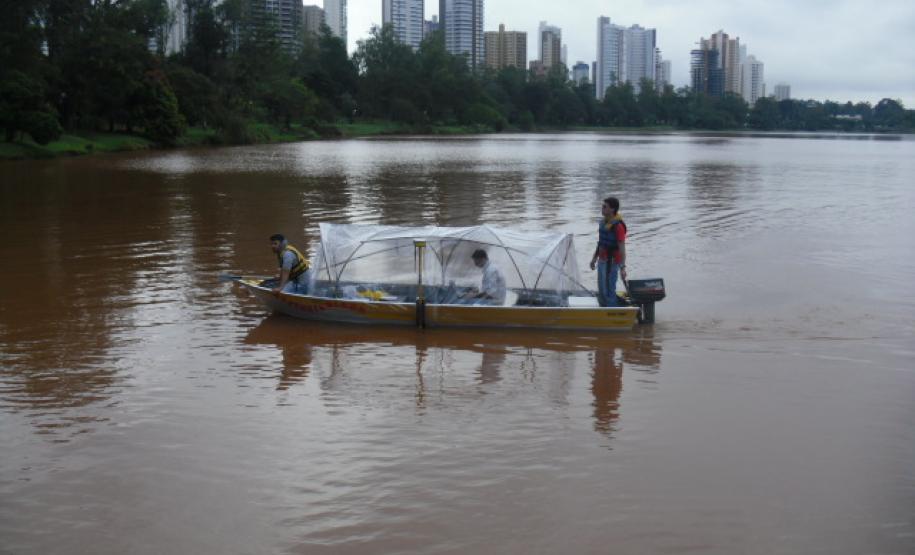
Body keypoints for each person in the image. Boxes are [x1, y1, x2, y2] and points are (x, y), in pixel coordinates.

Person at [589, 197, 627, 307]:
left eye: (605, 207)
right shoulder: (603, 223)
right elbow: (601, 243)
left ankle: (612, 309)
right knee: (602, 287)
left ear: (612, 209)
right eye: (602, 206)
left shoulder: (618, 226)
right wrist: (594, 258)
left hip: (612, 261)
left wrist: (623, 267)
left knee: (609, 287)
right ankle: (603, 306)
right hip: (602, 259)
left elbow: (622, 248)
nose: (602, 208)